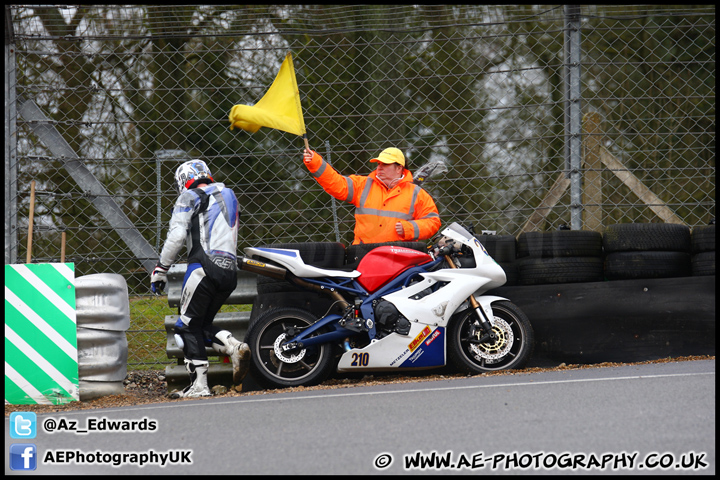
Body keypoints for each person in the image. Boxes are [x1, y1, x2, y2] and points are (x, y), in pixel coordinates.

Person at [150, 159, 250, 398]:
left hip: (202, 268)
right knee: (201, 326)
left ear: (183, 180)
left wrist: (161, 269)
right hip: (229, 271)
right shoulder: (229, 194)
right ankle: (233, 347)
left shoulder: (189, 196)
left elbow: (176, 236)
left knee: (185, 327)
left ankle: (199, 386)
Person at [302, 147, 441, 244]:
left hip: (399, 256)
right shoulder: (363, 185)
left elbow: (433, 222)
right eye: (378, 164)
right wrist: (315, 162)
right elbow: (336, 183)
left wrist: (409, 228)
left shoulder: (416, 193)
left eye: (385, 164)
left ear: (399, 168)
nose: (379, 167)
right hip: (364, 254)